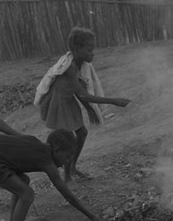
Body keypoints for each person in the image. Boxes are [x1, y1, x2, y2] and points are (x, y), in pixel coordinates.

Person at [34, 27, 130, 183]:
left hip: (68, 100)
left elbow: (80, 91)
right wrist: (114, 101)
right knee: (68, 141)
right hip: (59, 103)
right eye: (89, 49)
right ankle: (66, 177)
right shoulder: (70, 68)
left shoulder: (80, 63)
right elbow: (83, 94)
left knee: (82, 133)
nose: (93, 53)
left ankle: (72, 168)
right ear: (77, 48)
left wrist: (89, 108)